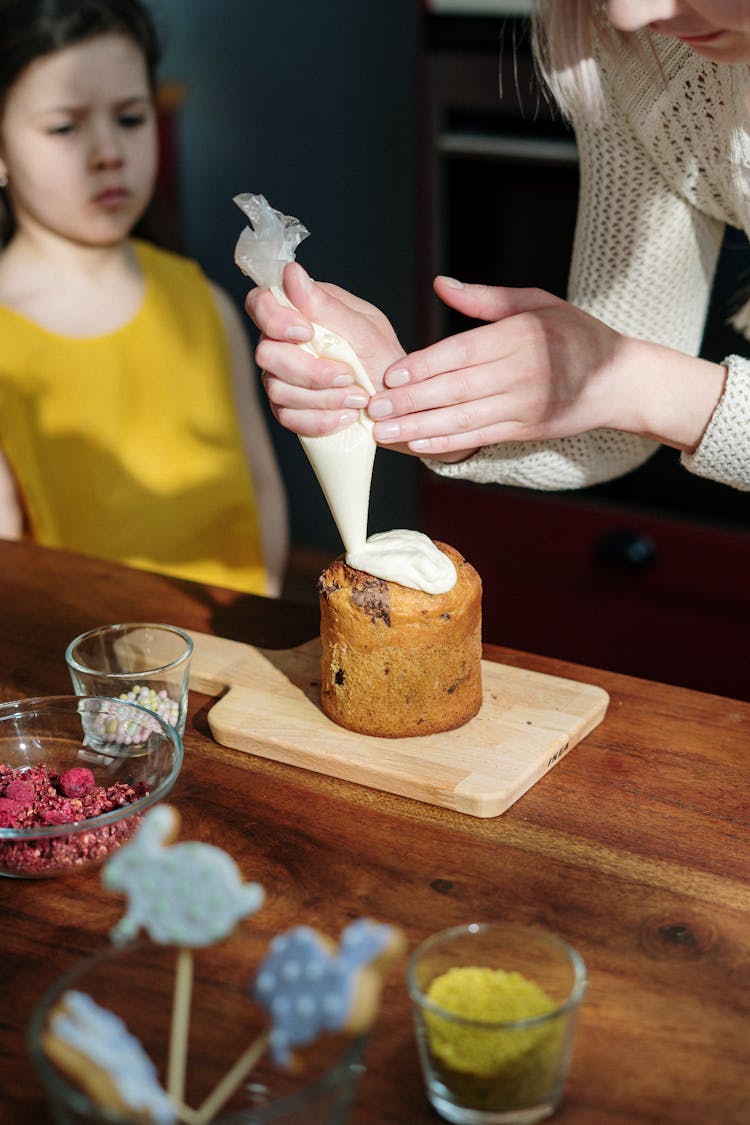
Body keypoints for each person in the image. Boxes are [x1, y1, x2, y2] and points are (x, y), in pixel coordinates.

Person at [245, 0, 750, 498]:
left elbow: (635, 387)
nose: (626, 13)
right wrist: (407, 402)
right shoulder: (644, 48)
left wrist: (631, 380)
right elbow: (615, 425)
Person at [0, 0, 288, 595]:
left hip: (233, 652)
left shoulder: (203, 303)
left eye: (131, 118)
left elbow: (260, 490)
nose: (108, 152)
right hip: (82, 671)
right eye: (64, 127)